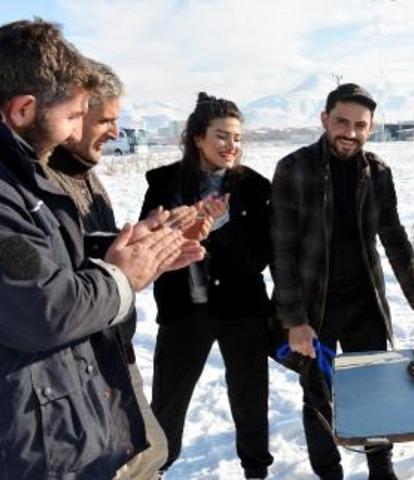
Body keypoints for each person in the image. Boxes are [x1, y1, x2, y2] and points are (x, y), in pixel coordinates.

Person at [0, 19, 202, 478]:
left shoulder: (23, 172)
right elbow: (44, 307)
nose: (75, 132)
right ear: (23, 110)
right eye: (75, 115)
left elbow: (46, 258)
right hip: (32, 434)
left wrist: (132, 248)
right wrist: (122, 276)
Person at [271, 83, 414, 480]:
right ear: (325, 119)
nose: (350, 132)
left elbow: (394, 238)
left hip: (365, 303)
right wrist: (295, 320)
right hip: (314, 307)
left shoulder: (377, 173)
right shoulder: (294, 169)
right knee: (318, 397)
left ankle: (382, 469)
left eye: (361, 125)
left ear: (371, 128)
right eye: (342, 121)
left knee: (373, 392)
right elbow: (282, 251)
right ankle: (329, 473)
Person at [45, 60, 199, 479]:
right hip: (70, 374)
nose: (115, 132)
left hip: (112, 353)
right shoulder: (37, 185)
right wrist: (124, 269)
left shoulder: (89, 178)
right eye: (105, 120)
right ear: (72, 117)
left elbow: (92, 254)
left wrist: (150, 249)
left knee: (147, 456)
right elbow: (52, 288)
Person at [142, 92, 274, 479]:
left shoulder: (253, 188)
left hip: (242, 312)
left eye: (237, 138)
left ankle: (256, 471)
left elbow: (258, 258)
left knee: (250, 402)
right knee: (168, 404)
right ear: (197, 137)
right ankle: (157, 470)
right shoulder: (164, 183)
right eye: (221, 136)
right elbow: (146, 247)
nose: (231, 146)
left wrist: (222, 226)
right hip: (183, 312)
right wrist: (179, 228)